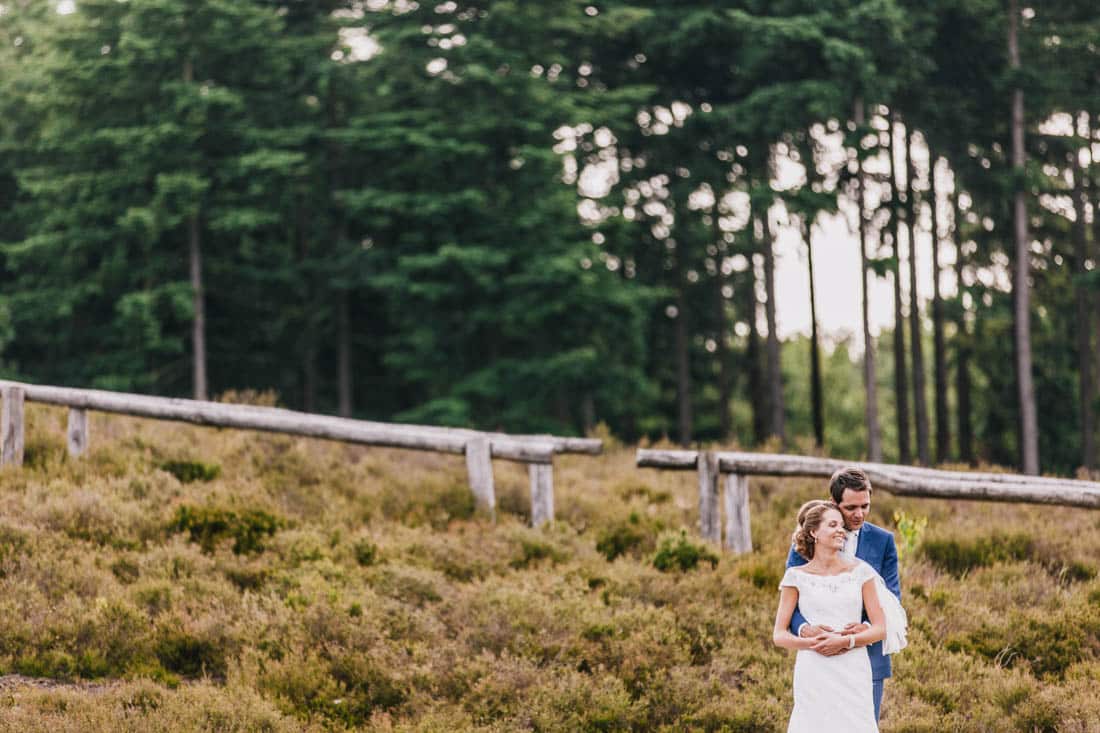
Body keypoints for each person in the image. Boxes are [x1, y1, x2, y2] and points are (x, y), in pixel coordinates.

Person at [786, 468, 902, 721]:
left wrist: (866, 628)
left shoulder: (883, 541)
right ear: (833, 502)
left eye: (865, 506)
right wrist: (805, 629)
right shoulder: (807, 537)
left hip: (867, 657)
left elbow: (892, 598)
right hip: (817, 658)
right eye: (851, 508)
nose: (859, 514)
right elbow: (790, 599)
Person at [773, 502, 887, 732]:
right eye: (833, 525)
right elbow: (779, 635)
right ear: (814, 532)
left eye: (842, 526)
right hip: (814, 669)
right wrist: (813, 644)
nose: (840, 530)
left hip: (852, 666)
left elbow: (880, 628)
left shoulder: (861, 573)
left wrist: (846, 641)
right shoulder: (795, 577)